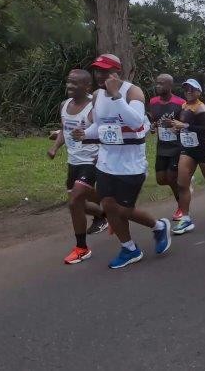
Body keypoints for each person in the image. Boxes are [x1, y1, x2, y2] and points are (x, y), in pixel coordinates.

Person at [72, 53, 171, 269]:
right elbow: (100, 125)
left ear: (118, 72)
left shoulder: (132, 92)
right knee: (108, 206)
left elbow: (135, 122)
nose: (100, 75)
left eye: (106, 71)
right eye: (97, 70)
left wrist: (117, 95)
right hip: (107, 162)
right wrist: (85, 134)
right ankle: (129, 248)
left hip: (131, 163)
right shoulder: (97, 96)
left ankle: (158, 226)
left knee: (124, 210)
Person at [47, 69, 107, 264]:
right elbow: (65, 130)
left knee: (74, 201)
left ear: (87, 87)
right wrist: (55, 147)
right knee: (79, 203)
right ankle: (105, 213)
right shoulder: (64, 105)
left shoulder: (94, 106)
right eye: (68, 82)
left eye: (75, 84)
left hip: (91, 161)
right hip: (73, 161)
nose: (70, 87)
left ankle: (81, 248)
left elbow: (104, 131)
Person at [167, 78, 205, 234]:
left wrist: (184, 126)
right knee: (182, 184)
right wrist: (176, 128)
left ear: (199, 92)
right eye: (186, 88)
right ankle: (185, 219)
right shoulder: (184, 106)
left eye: (192, 89)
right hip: (188, 150)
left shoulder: (200, 108)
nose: (188, 91)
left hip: (204, 150)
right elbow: (183, 126)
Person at [147, 74, 186, 221]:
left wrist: (176, 126)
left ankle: (181, 206)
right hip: (162, 145)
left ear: (170, 86)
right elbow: (155, 121)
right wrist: (153, 127)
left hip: (176, 146)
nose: (157, 86)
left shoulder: (180, 103)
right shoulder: (153, 102)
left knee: (171, 177)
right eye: (156, 83)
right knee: (161, 179)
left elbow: (185, 125)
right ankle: (184, 187)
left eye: (161, 83)